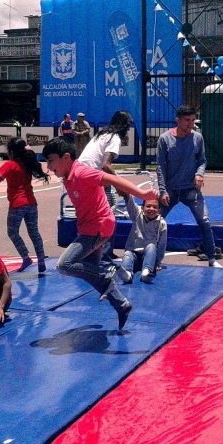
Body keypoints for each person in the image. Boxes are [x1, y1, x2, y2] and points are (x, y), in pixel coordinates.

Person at [43, 137, 160, 330]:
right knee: (90, 273)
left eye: (50, 161)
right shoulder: (68, 176)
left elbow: (113, 179)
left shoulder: (81, 173)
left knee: (64, 265)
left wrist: (143, 196)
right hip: (91, 228)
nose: (48, 166)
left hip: (98, 227)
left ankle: (108, 274)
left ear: (65, 158)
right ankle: (122, 305)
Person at [156, 104, 221, 267]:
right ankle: (151, 259)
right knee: (155, 222)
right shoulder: (165, 139)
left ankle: (212, 258)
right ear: (177, 120)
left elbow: (202, 160)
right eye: (187, 120)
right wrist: (163, 190)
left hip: (190, 189)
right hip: (170, 190)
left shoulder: (197, 138)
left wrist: (200, 174)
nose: (190, 124)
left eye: (193, 120)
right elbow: (160, 167)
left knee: (204, 221)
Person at [0, 137, 49, 276]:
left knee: (12, 232)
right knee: (34, 232)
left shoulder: (10, 164)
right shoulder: (27, 163)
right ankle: (41, 259)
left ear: (11, 152)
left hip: (17, 204)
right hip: (31, 202)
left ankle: (25, 257)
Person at [79, 109, 134, 259]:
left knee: (92, 217)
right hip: (92, 177)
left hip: (81, 174)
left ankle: (92, 251)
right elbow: (106, 166)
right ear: (122, 126)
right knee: (109, 215)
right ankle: (105, 254)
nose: (129, 129)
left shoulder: (102, 134)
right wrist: (119, 184)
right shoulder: (114, 137)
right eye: (128, 125)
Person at [116, 188, 167, 284]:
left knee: (152, 246)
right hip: (134, 253)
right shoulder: (136, 215)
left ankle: (146, 272)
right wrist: (125, 193)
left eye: (155, 207)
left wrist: (157, 262)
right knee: (127, 254)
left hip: (148, 257)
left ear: (159, 210)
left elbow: (162, 244)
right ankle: (127, 274)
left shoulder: (162, 223)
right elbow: (129, 201)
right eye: (148, 206)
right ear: (142, 208)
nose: (151, 209)